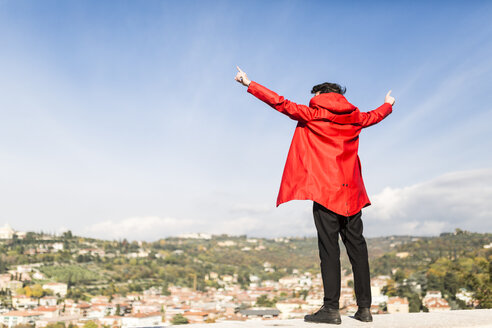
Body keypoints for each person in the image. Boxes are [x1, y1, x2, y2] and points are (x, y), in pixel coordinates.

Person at [235, 66, 395, 325]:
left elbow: (281, 103)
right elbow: (375, 116)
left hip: (325, 193)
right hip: (351, 194)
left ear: (321, 94)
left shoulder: (313, 114)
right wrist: (388, 104)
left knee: (329, 250)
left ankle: (331, 309)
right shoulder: (355, 117)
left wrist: (249, 83)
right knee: (358, 249)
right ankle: (364, 309)